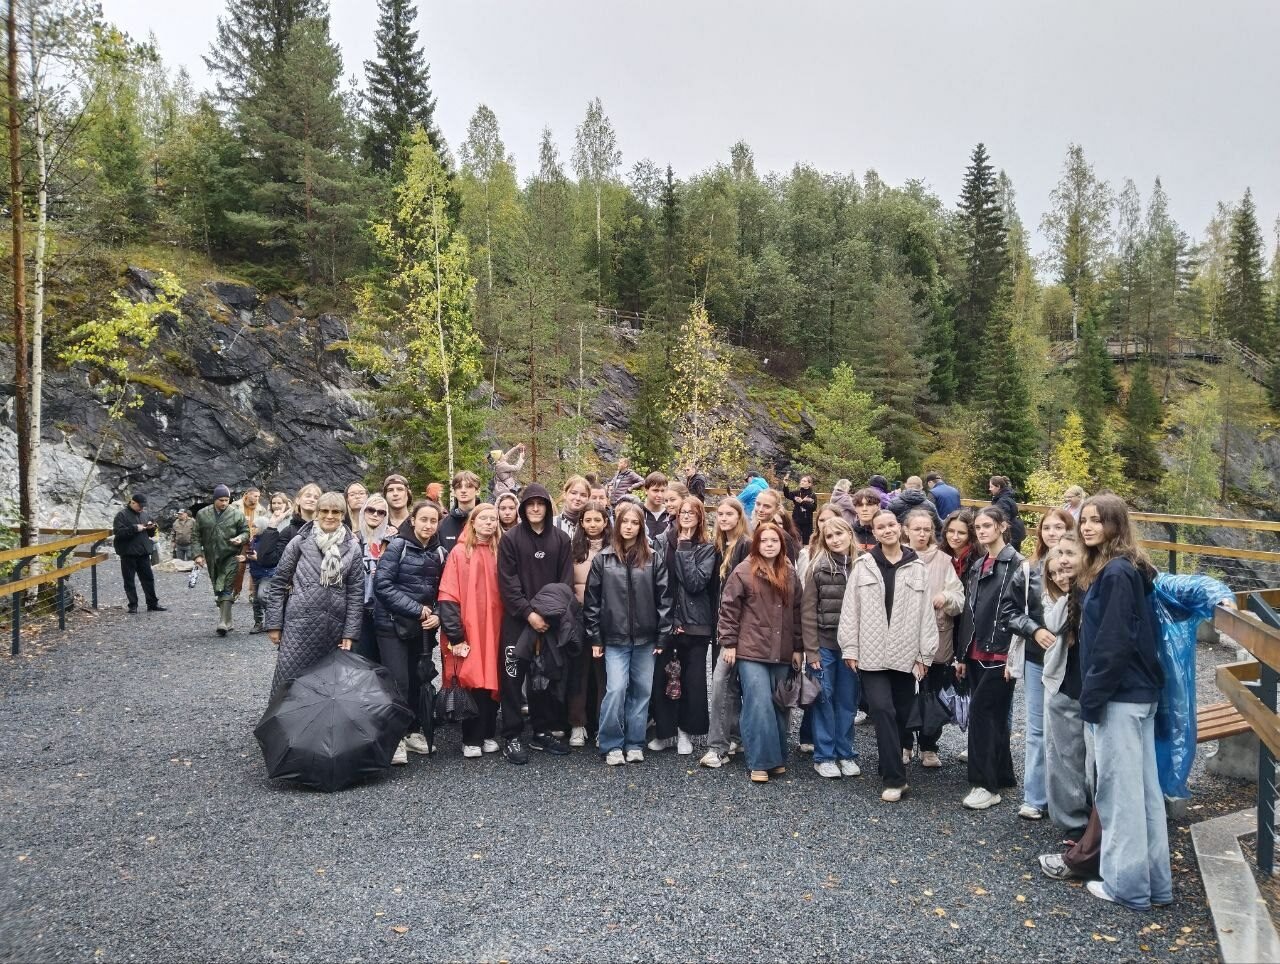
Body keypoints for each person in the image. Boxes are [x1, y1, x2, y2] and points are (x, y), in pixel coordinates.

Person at [1075, 494, 1170, 910]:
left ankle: (1126, 885)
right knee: (1144, 793)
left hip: (1120, 695)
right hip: (1139, 692)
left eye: (1098, 521)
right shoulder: (1131, 568)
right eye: (1085, 521)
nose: (1088, 527)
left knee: (1119, 795)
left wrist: (1092, 698)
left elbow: (1112, 642)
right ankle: (1154, 883)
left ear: (1116, 525)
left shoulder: (1114, 574)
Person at [838, 510, 937, 801]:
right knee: (881, 709)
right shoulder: (864, 566)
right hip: (871, 652)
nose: (887, 530)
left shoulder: (917, 567)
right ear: (874, 532)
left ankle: (888, 762)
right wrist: (851, 647)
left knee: (901, 714)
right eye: (880, 527)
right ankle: (896, 779)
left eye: (891, 525)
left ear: (900, 528)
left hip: (905, 654)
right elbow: (850, 609)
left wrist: (924, 654)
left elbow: (926, 615)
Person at [1000, 507, 1077, 820]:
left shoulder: (1082, 568)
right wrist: (1035, 629)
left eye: (1060, 527)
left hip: (1072, 660)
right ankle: (1035, 797)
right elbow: (1009, 610)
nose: (1053, 532)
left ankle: (1070, 800)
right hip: (1036, 658)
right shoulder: (1028, 569)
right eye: (1047, 528)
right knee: (1036, 730)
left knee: (1069, 731)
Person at [585, 501, 672, 765]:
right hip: (614, 638)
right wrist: (595, 637)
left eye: (635, 523)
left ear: (641, 526)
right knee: (616, 689)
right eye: (625, 522)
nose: (630, 527)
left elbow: (665, 599)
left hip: (646, 639)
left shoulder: (653, 557)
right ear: (618, 524)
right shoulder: (603, 558)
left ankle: (635, 742)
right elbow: (592, 601)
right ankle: (611, 743)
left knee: (642, 691)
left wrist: (662, 635)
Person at [718, 522, 803, 783]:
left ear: (781, 545)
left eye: (774, 541)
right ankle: (759, 762)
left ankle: (775, 758)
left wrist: (799, 647)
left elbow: (798, 612)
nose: (769, 544)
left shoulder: (789, 572)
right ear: (757, 544)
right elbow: (728, 609)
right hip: (751, 650)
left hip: (782, 650)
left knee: (779, 704)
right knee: (758, 704)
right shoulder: (743, 571)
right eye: (764, 540)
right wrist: (729, 643)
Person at [496, 483, 575, 763]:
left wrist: (548, 615)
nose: (535, 508)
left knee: (543, 679)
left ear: (548, 506)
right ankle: (512, 735)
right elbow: (507, 583)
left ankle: (541, 730)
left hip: (548, 623)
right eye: (530, 504)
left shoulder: (562, 540)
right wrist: (529, 613)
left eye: (540, 503)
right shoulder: (511, 539)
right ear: (523, 507)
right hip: (518, 622)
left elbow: (565, 582)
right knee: (513, 678)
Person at [264, 491, 363, 701]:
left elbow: (355, 593)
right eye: (324, 511)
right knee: (289, 679)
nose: (329, 516)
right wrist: (274, 624)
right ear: (317, 513)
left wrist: (350, 633)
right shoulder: (299, 541)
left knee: (326, 684)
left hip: (333, 626)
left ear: (343, 515)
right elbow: (279, 582)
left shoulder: (352, 548)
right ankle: (282, 727)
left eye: (335, 512)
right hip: (299, 624)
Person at [954, 506, 1022, 809]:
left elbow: (1020, 612)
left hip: (1000, 652)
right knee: (991, 717)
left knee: (983, 716)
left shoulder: (1018, 564)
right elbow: (970, 612)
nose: (981, 531)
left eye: (987, 526)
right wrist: (961, 654)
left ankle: (985, 784)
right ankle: (1003, 774)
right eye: (978, 527)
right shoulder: (980, 563)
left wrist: (1012, 655)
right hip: (975, 650)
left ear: (1002, 526)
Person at [374, 499, 445, 765]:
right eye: (423, 519)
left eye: (433, 520)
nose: (428, 525)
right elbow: (383, 584)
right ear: (412, 520)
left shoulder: (440, 552)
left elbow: (445, 589)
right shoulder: (397, 547)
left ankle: (413, 729)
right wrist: (417, 609)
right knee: (398, 681)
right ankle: (395, 738)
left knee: (418, 679)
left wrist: (437, 614)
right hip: (392, 625)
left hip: (421, 627)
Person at [438, 504, 505, 758]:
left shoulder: (501, 551)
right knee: (473, 679)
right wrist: (455, 635)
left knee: (492, 680)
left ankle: (488, 733)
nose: (489, 523)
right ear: (473, 522)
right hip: (470, 628)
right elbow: (448, 595)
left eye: (493, 519)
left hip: (496, 627)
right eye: (484, 519)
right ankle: (471, 738)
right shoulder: (458, 553)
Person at [650, 497, 715, 755]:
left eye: (692, 513)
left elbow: (695, 583)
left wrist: (686, 546)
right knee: (662, 677)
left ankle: (686, 732)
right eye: (683, 512)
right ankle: (665, 732)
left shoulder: (707, 548)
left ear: (700, 518)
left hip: (695, 624)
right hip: (666, 621)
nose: (686, 516)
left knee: (692, 680)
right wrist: (668, 619)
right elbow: (658, 581)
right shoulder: (662, 542)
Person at [901, 508, 963, 768]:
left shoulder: (943, 560)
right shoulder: (898, 556)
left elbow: (958, 598)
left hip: (938, 639)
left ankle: (929, 745)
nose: (923, 534)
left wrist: (946, 597)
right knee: (903, 693)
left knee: (933, 693)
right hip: (903, 640)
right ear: (906, 530)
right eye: (917, 529)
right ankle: (903, 743)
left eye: (927, 529)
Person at [802, 516, 860, 779]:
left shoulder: (862, 565)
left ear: (849, 534)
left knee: (847, 701)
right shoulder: (818, 567)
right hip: (824, 644)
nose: (836, 540)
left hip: (852, 647)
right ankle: (824, 755)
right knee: (824, 698)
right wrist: (811, 650)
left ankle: (845, 752)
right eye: (830, 536)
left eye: (840, 534)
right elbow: (808, 612)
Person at [700, 497, 752, 769]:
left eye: (729, 514)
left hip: (739, 629)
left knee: (721, 684)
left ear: (739, 516)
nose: (723, 518)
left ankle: (717, 747)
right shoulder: (719, 546)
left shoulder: (746, 545)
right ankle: (734, 736)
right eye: (719, 513)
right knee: (728, 686)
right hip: (720, 627)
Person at [567, 505, 611, 747]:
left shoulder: (614, 549)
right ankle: (577, 724)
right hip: (579, 616)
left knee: (604, 674)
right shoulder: (573, 549)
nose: (593, 524)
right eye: (588, 520)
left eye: (598, 520)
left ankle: (603, 725)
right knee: (578, 672)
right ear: (581, 523)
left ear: (606, 522)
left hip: (607, 618)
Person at [192, 484, 250, 636]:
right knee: (217, 588)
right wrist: (198, 554)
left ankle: (223, 622)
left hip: (230, 555)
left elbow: (246, 531)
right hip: (212, 557)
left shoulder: (237, 514)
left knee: (225, 585)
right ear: (214, 499)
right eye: (221, 500)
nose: (224, 503)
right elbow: (196, 536)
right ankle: (228, 620)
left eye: (227, 500)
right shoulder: (202, 514)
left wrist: (240, 538)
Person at [248, 492, 296, 636]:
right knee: (258, 596)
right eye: (274, 503)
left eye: (279, 503)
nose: (276, 506)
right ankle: (262, 622)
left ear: (286, 504)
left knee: (268, 594)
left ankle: (281, 620)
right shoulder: (266, 520)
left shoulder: (292, 521)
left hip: (286, 561)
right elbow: (259, 540)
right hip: (266, 562)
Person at [350, 494, 391, 658]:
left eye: (381, 512)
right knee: (361, 660)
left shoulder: (392, 540)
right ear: (363, 512)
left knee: (384, 660)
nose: (375, 514)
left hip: (383, 610)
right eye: (371, 510)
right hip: (359, 610)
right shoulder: (353, 540)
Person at [113, 494, 163, 614]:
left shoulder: (145, 514)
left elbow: (150, 534)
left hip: (144, 553)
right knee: (129, 580)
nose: (142, 509)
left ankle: (152, 604)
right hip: (128, 553)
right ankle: (133, 605)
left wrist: (151, 527)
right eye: (140, 506)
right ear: (133, 502)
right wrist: (135, 528)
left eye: (143, 506)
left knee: (148, 579)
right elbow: (118, 533)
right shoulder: (122, 515)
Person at [752, 488, 801, 562]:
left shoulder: (782, 536)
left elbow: (790, 567)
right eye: (758, 504)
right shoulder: (755, 529)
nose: (760, 509)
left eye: (767, 506)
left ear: (777, 509)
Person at [796, 504, 841, 584]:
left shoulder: (847, 549)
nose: (825, 524)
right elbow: (803, 584)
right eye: (821, 520)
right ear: (817, 522)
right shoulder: (806, 553)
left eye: (830, 519)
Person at [438, 470, 481, 553]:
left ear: (477, 491)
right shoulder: (442, 525)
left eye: (469, 486)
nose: (463, 490)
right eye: (459, 487)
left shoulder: (488, 521)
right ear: (454, 492)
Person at [988, 475, 1027, 549]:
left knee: (1010, 556)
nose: (990, 489)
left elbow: (1004, 520)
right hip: (1016, 531)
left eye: (991, 486)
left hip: (1012, 534)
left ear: (998, 487)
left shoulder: (1002, 501)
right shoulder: (1006, 497)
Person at [783, 474, 818, 545]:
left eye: (804, 481)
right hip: (796, 520)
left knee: (806, 542)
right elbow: (787, 495)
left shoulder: (812, 495)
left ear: (809, 484)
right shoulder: (797, 493)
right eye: (801, 481)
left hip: (807, 522)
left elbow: (813, 508)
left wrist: (802, 502)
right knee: (795, 540)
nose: (802, 482)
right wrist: (786, 486)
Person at [848, 488, 882, 553]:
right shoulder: (849, 532)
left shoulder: (885, 531)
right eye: (860, 505)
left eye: (869, 505)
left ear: (878, 506)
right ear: (855, 508)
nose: (864, 509)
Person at [641, 472, 669, 541]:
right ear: (646, 490)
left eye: (662, 491)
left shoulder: (670, 514)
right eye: (655, 490)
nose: (660, 495)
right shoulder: (638, 512)